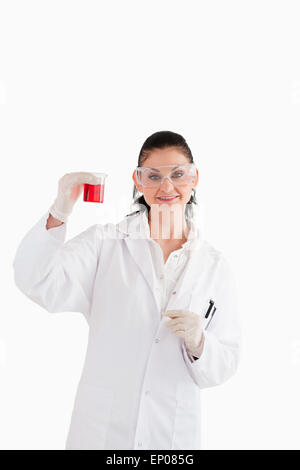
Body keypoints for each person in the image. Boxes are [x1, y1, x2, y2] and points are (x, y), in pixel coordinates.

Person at [13, 130, 242, 450]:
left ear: (194, 179)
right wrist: (60, 209)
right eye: (153, 175)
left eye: (178, 174)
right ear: (138, 181)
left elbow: (226, 361)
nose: (166, 186)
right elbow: (38, 281)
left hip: (170, 436)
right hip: (102, 431)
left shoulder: (214, 266)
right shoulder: (104, 244)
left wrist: (199, 342)